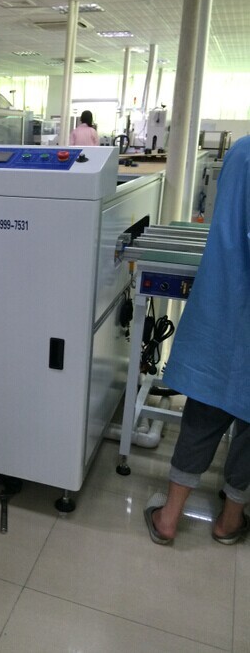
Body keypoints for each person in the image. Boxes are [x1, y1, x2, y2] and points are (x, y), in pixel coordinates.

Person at [144, 135, 250, 546]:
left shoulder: (242, 151)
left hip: (225, 302)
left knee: (205, 408)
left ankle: (169, 518)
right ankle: (230, 520)